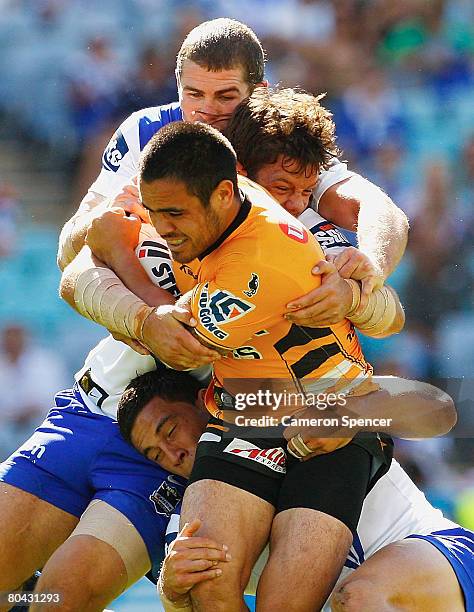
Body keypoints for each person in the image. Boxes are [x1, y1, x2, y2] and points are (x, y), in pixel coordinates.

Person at [120, 120, 399, 611]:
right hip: (242, 411)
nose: (162, 227)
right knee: (204, 582)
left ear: (226, 195)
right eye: (154, 212)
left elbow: (176, 342)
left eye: (173, 214)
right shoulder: (204, 186)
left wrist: (363, 284)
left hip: (332, 419)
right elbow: (87, 241)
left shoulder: (263, 262)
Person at [57, 18, 409, 371]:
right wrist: (141, 314)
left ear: (257, 91)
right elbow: (71, 253)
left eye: (225, 96)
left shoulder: (278, 145)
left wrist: (363, 280)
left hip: (252, 376)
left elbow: (380, 211)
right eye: (194, 94)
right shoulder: (144, 136)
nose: (207, 111)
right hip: (152, 365)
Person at [115, 368, 470, 612]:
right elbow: (196, 602)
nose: (173, 455)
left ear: (202, 403)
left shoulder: (303, 402)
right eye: (155, 454)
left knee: (359, 598)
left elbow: (441, 409)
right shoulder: (190, 522)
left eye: (170, 430)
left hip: (442, 553)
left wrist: (353, 412)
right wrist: (173, 594)